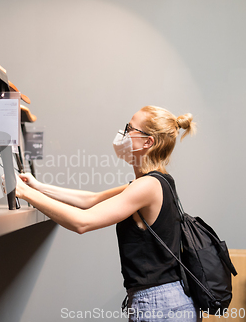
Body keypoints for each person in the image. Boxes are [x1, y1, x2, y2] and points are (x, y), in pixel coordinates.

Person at [15, 106, 201, 322]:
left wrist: (26, 193)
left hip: (159, 305)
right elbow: (91, 200)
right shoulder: (156, 181)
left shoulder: (147, 186)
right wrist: (37, 187)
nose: (123, 134)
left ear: (148, 142)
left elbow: (81, 222)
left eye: (129, 128)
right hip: (167, 301)